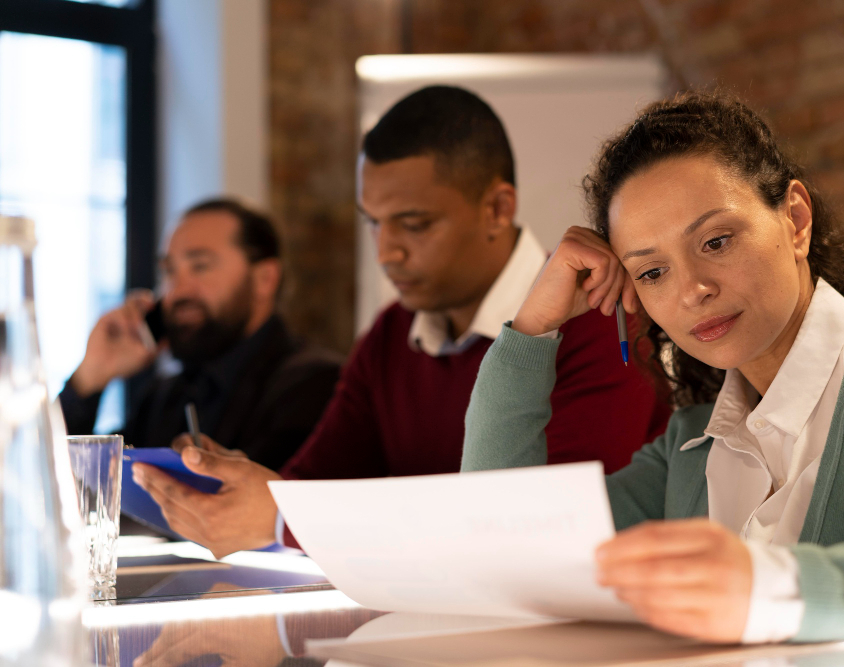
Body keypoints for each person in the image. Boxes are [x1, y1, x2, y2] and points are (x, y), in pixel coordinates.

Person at [461, 91, 844, 644]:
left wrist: (769, 587)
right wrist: (531, 331)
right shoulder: (686, 451)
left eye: (715, 241)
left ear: (795, 220)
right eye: (651, 273)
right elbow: (505, 558)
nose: (693, 290)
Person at [131, 86, 671, 558]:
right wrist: (243, 488)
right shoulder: (391, 334)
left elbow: (545, 528)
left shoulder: (602, 315)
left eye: (413, 224)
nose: (386, 252)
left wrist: (281, 517)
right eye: (374, 223)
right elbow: (313, 483)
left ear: (497, 208)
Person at [60, 198, 341, 471]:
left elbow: (276, 494)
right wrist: (89, 378)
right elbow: (71, 478)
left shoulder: (315, 386)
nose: (177, 291)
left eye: (200, 266)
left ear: (264, 279)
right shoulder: (164, 396)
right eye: (169, 271)